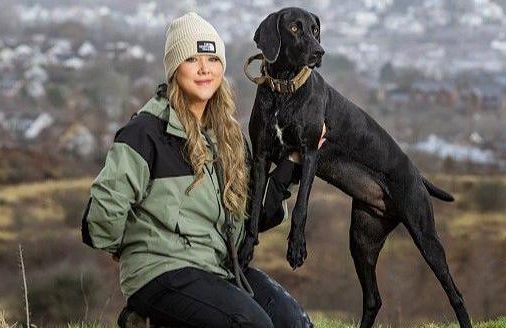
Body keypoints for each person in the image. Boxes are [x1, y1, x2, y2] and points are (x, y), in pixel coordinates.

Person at [81, 12, 325, 328]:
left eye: (212, 58)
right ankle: (152, 316)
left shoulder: (230, 137)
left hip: (219, 268)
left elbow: (253, 217)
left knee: (295, 322)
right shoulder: (145, 133)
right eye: (192, 58)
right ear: (173, 68)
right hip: (161, 271)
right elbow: (101, 217)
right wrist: (129, 246)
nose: (203, 68)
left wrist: (291, 164)